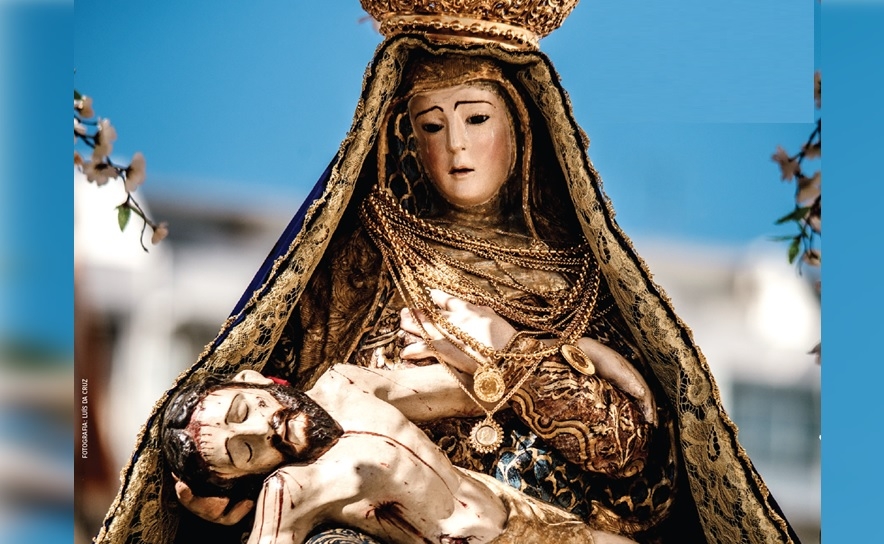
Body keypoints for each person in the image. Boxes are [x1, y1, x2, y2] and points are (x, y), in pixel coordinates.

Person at [96, 4, 801, 544]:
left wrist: (510, 353)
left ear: (520, 127)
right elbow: (297, 412)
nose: (457, 147)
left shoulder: (577, 272)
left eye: (476, 118)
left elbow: (630, 454)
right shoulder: (363, 259)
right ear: (405, 136)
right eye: (432, 126)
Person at [161, 366, 638, 544]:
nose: (262, 428)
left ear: (256, 378)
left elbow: (468, 390)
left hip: (523, 511)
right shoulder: (290, 491)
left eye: (244, 409)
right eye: (246, 451)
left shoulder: (344, 384)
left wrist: (554, 359)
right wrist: (223, 523)